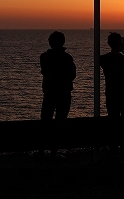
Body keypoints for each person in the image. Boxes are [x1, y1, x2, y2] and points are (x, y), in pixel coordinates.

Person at [39, 31, 76, 159]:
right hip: (64, 94)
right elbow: (73, 75)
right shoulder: (67, 58)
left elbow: (44, 71)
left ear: (50, 42)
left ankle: (41, 151)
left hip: (49, 93)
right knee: (60, 122)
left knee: (45, 121)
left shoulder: (44, 57)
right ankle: (54, 152)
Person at [99, 32, 124, 160]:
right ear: (121, 44)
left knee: (113, 121)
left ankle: (114, 150)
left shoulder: (102, 59)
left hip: (111, 93)